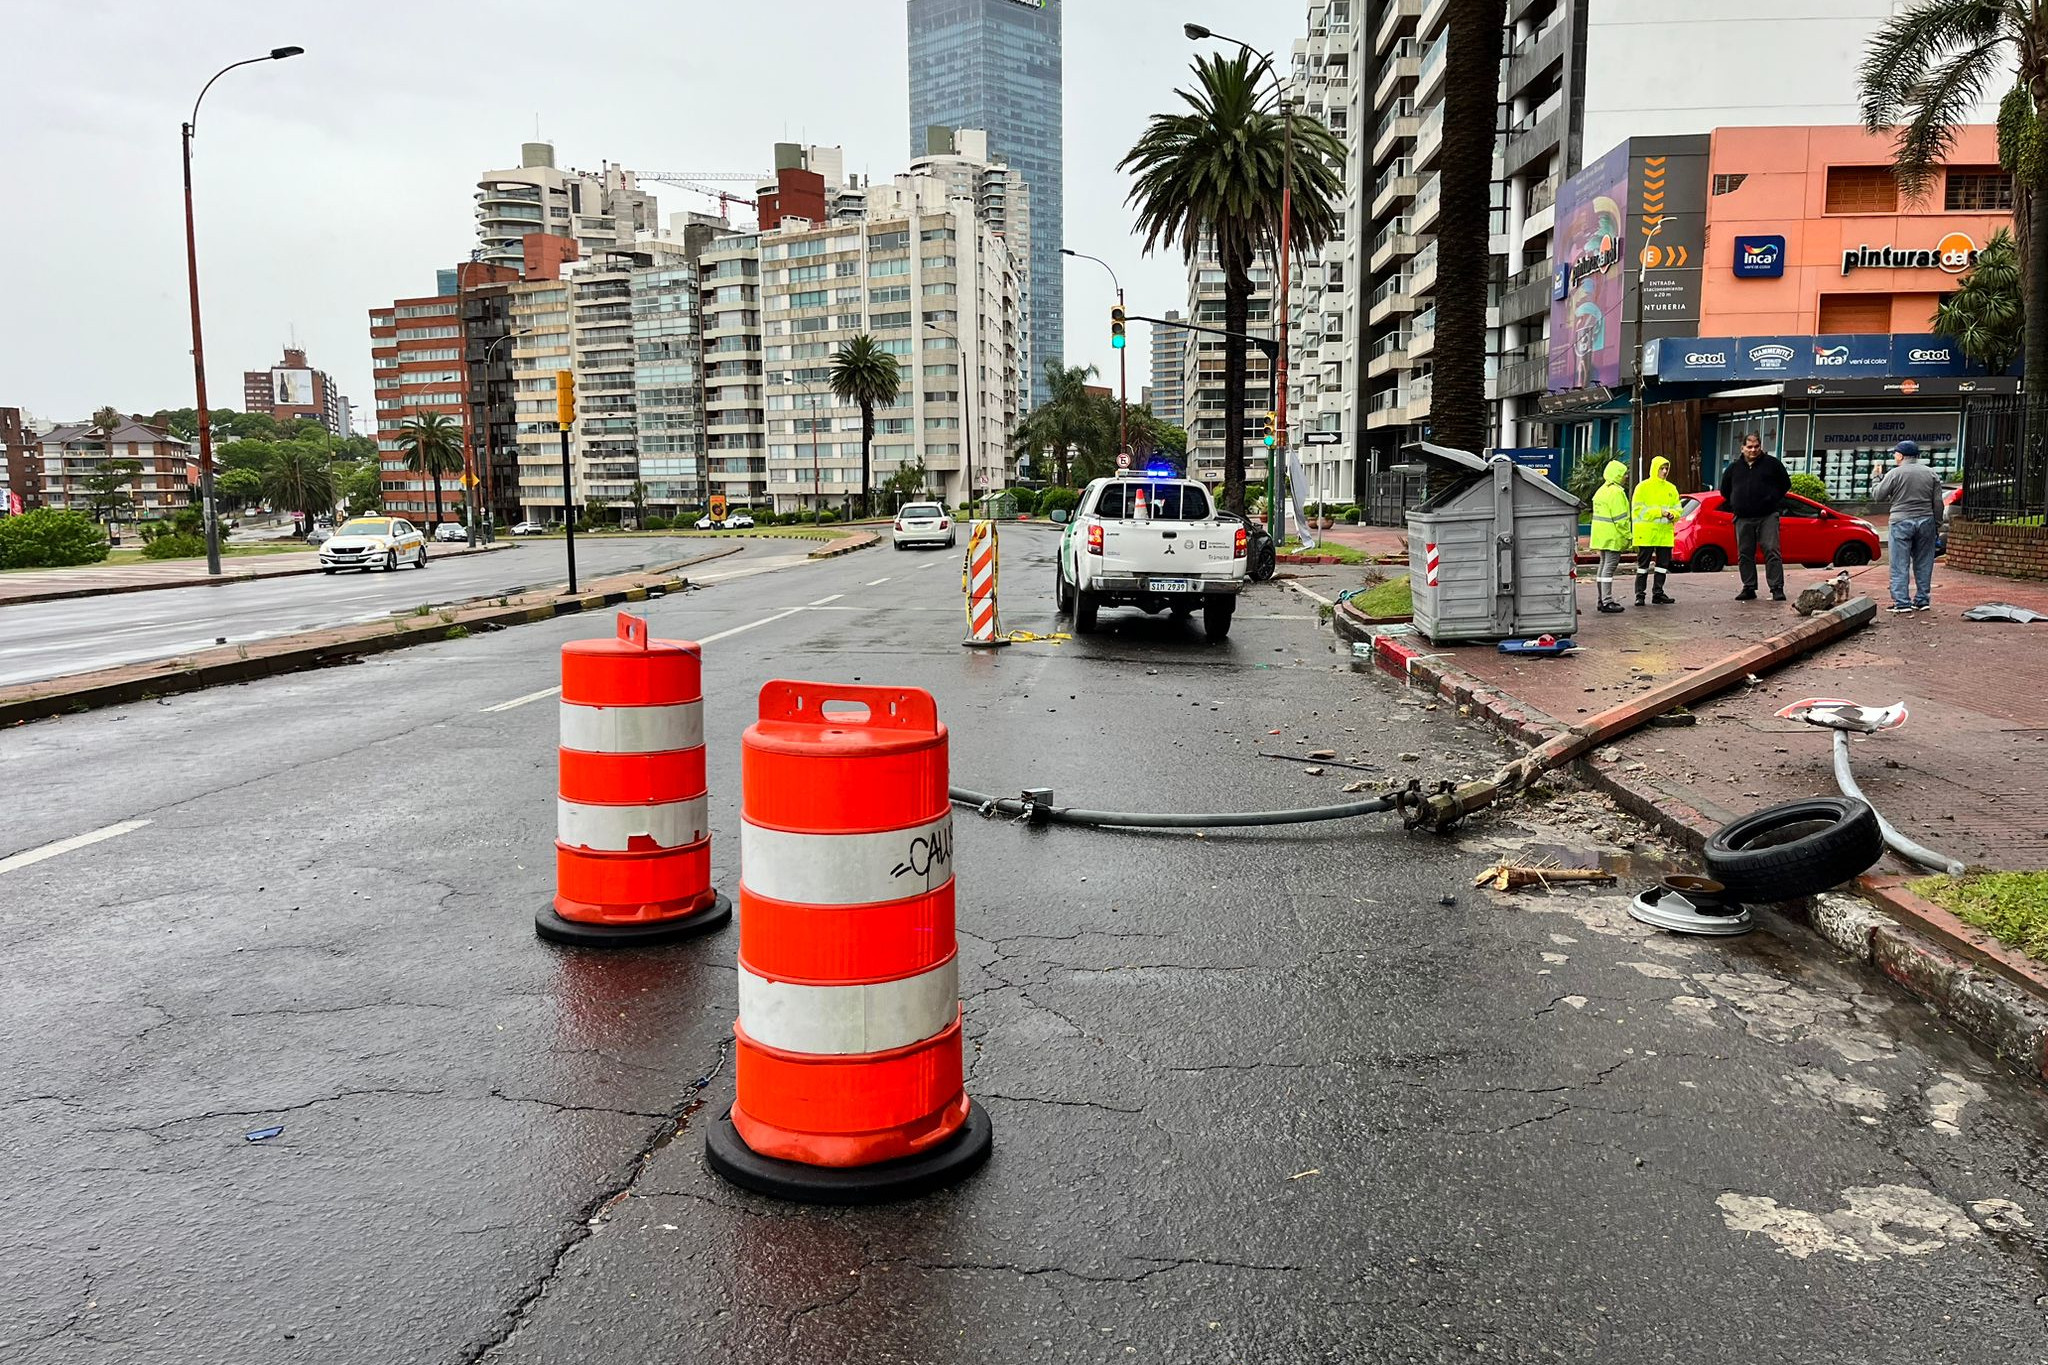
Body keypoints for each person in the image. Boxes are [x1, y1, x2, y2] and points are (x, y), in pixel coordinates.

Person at [1872, 439, 1943, 614]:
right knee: (1924, 562)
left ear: (1901, 455)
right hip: (1926, 520)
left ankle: (1902, 602)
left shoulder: (1895, 474)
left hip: (1901, 520)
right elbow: (1938, 502)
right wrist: (1937, 524)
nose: (1894, 456)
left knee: (1899, 564)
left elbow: (1878, 495)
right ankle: (1922, 600)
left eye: (1895, 453)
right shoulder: (1931, 473)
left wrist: (1875, 477)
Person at [1718, 431, 1791, 601]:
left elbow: (1785, 484)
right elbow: (1725, 490)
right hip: (1743, 517)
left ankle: (1776, 588)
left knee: (1772, 550)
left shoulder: (1772, 464)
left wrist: (1771, 499)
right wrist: (1737, 503)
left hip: (1767, 516)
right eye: (1749, 447)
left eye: (1756, 446)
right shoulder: (1734, 468)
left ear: (1761, 447)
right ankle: (1749, 587)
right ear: (1742, 448)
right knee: (1744, 553)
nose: (1753, 450)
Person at [1631, 455, 1681, 605]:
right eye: (1662, 468)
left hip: (1664, 533)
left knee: (1662, 566)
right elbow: (1638, 511)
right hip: (1647, 534)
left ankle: (1658, 593)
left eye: (1666, 468)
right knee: (1643, 566)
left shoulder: (1671, 488)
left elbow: (1678, 508)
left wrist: (1674, 515)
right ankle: (1640, 595)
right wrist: (1660, 512)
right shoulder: (1642, 487)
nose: (1665, 471)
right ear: (1654, 469)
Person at [1590, 458, 1632, 613]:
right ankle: (1607, 601)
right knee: (1609, 567)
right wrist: (1628, 536)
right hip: (1613, 536)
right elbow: (1621, 519)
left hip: (1601, 535)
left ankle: (1601, 599)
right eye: (1624, 474)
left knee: (1602, 567)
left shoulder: (1601, 491)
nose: (1626, 477)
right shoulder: (1617, 493)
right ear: (1617, 474)